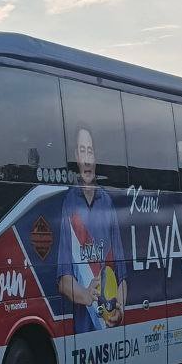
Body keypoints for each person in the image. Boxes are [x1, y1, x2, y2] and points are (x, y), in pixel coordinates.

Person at [57, 126, 128, 333]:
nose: (87, 160)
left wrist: (119, 309)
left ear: (96, 157)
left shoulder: (107, 203)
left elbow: (122, 274)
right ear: (76, 158)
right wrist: (85, 295)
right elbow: (63, 280)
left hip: (111, 329)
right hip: (84, 328)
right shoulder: (69, 203)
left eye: (90, 151)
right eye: (82, 151)